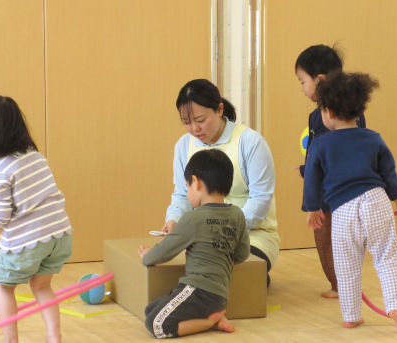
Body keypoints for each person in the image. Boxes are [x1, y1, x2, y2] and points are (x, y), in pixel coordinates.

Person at [303, 72, 397, 333]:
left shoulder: (320, 144)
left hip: (343, 210)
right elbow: (389, 174)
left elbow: (312, 179)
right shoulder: (373, 138)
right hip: (376, 201)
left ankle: (351, 315)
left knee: (347, 263)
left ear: (327, 112)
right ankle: (396, 310)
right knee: (386, 258)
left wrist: (312, 207)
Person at [0, 95, 73, 343]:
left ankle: (10, 340)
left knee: (3, 285)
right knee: (41, 286)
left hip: (28, 243)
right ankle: (54, 337)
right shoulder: (35, 156)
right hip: (60, 236)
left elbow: (1, 216)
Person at [162, 78, 278, 286]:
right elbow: (181, 193)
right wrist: (174, 220)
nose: (194, 129)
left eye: (200, 119)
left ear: (219, 109)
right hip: (204, 235)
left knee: (217, 269)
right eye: (186, 122)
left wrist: (227, 231)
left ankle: (254, 278)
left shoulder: (250, 142)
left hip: (252, 235)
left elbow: (261, 199)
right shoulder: (183, 146)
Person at [139, 149, 250, 338]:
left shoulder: (193, 218)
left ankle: (210, 321)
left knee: (155, 324)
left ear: (196, 182)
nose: (188, 191)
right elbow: (242, 254)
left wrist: (146, 256)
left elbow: (164, 252)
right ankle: (213, 317)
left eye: (187, 186)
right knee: (151, 309)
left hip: (198, 291)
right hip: (220, 295)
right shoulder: (237, 215)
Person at [295, 44, 367, 299]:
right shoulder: (317, 116)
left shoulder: (338, 117)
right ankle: (340, 285)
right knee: (329, 240)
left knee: (332, 241)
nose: (302, 88)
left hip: (334, 194)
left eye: (303, 81)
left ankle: (343, 285)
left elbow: (331, 155)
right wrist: (307, 169)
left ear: (320, 80)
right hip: (331, 191)